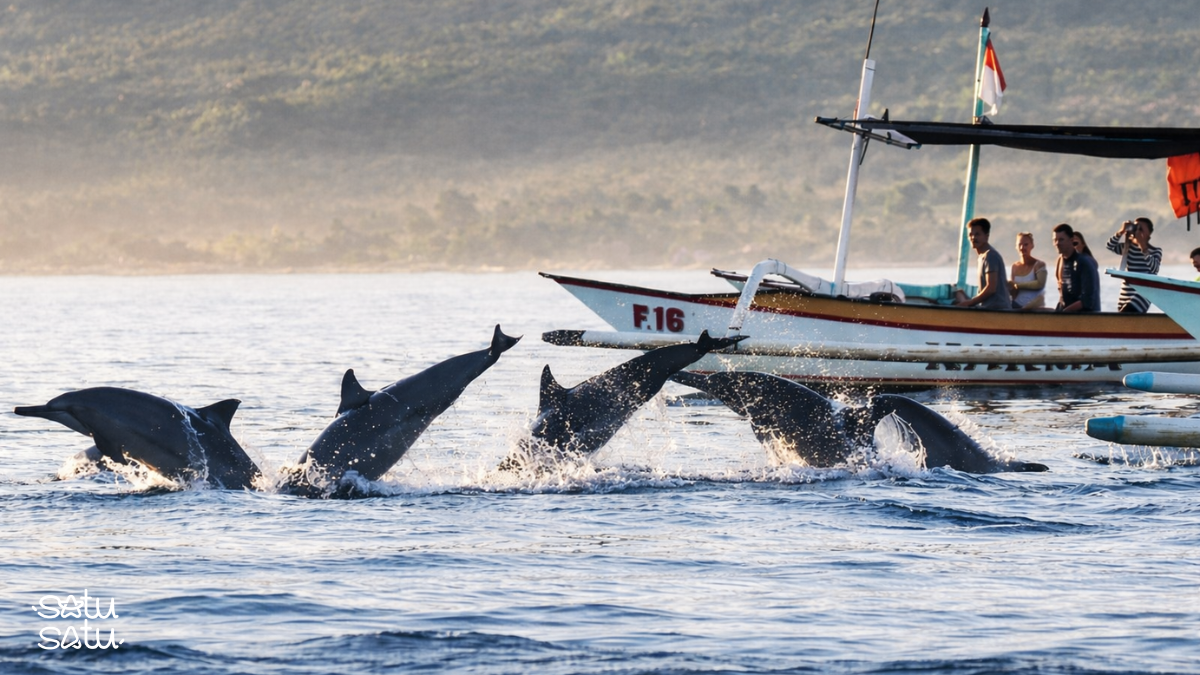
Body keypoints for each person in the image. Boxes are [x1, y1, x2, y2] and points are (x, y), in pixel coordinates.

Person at [1106, 217, 1162, 312]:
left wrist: (1143, 246)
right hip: (1125, 295)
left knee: (1129, 312)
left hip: (1143, 294)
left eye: (1140, 229)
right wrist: (1121, 231)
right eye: (1135, 227)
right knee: (1124, 320)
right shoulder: (1127, 248)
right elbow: (1110, 246)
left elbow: (1154, 268)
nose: (1137, 231)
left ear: (1149, 234)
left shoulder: (1155, 251)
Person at [953, 217, 1010, 310]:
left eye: (977, 234)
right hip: (986, 307)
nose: (973, 238)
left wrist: (970, 302)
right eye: (970, 235)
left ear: (986, 236)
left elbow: (991, 288)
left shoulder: (990, 256)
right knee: (958, 293)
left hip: (997, 309)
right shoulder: (981, 257)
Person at [1054, 223, 1100, 312]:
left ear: (1071, 240)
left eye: (1061, 240)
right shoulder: (1062, 261)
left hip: (1085, 319)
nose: (1057, 243)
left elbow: (1087, 301)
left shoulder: (1084, 262)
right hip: (1067, 318)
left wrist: (1062, 315)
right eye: (1055, 240)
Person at [1008, 232, 1047, 310]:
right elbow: (1014, 292)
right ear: (1016, 246)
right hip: (1017, 306)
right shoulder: (1014, 266)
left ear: (1032, 246)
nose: (1022, 248)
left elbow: (1040, 284)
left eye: (1026, 245)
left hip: (1034, 307)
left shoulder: (1039, 265)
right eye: (1020, 245)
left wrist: (1018, 285)